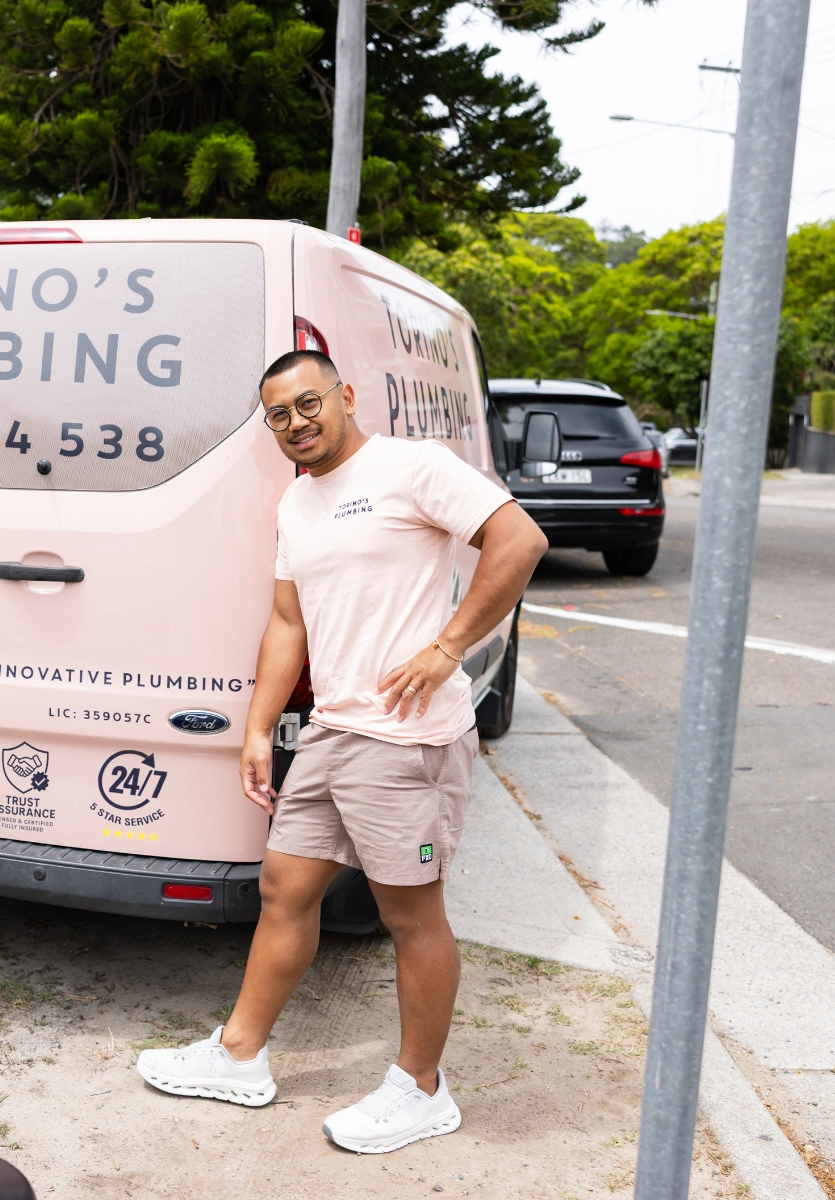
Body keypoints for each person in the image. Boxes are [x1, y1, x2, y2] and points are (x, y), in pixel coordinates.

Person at [136, 349, 547, 1154]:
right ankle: (240, 1056)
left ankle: (421, 1089)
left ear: (344, 395)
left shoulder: (409, 467)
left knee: (409, 914)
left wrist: (448, 646)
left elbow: (519, 541)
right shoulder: (297, 504)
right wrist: (258, 729)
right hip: (332, 729)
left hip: (406, 736)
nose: (296, 422)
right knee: (284, 887)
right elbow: (289, 622)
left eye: (308, 403)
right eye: (279, 415)